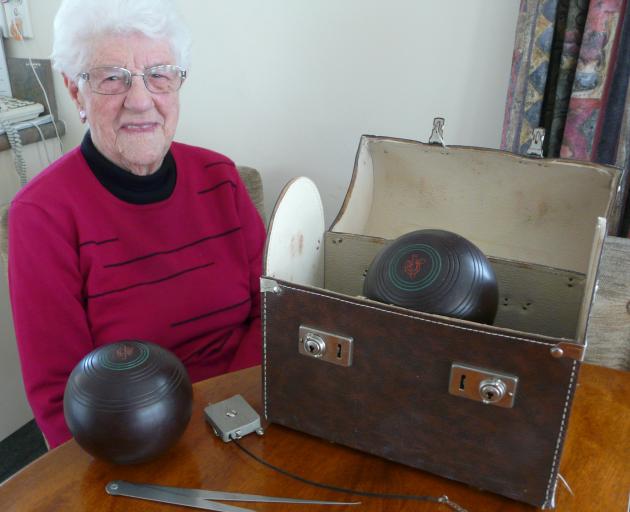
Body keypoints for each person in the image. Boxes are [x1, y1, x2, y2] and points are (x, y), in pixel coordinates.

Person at [8, 0, 266, 448]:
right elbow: (59, 396)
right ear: (75, 92)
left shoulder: (220, 178)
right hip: (130, 446)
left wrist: (233, 410)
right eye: (112, 78)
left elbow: (270, 312)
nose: (141, 100)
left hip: (248, 412)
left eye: (160, 74)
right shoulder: (42, 215)